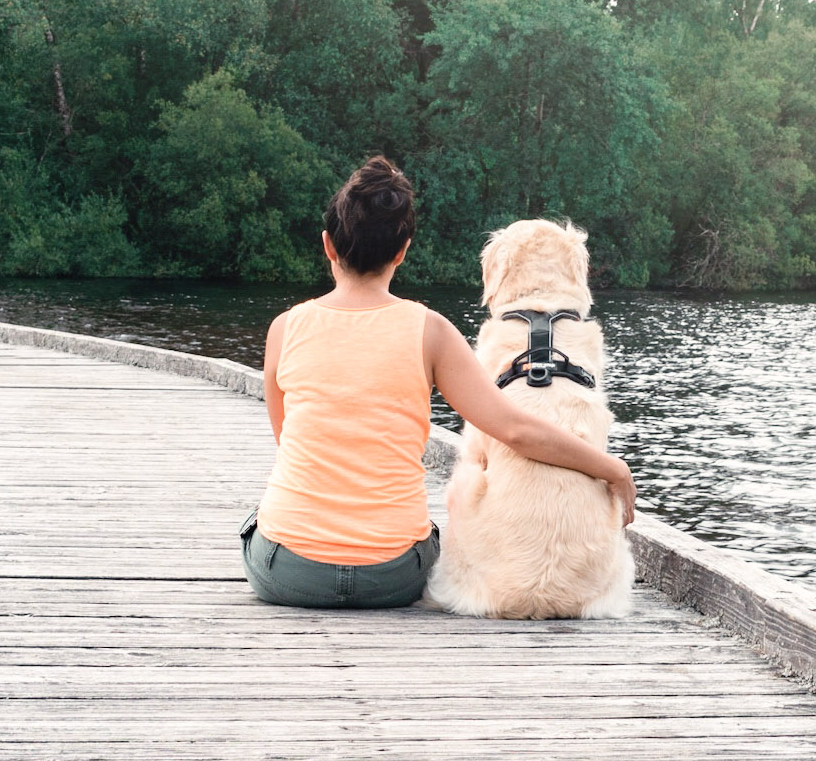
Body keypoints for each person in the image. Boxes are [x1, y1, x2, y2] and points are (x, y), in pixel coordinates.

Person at [243, 157, 637, 609]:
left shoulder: (285, 329)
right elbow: (517, 431)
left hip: (290, 573)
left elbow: (287, 440)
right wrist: (613, 469)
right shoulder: (430, 331)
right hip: (390, 576)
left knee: (260, 522)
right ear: (402, 250)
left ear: (329, 245)